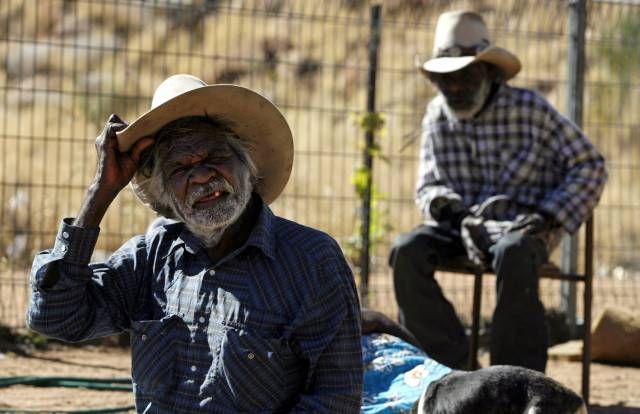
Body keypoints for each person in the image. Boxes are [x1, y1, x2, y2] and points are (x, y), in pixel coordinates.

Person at [27, 74, 363, 412]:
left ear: (247, 166)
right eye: (180, 168)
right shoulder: (153, 256)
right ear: (166, 195)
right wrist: (99, 193)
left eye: (215, 157)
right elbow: (56, 318)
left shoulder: (311, 261)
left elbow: (335, 399)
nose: (201, 175)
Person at [389, 11, 607, 372]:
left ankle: (513, 380)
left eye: (465, 76)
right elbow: (429, 187)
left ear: (489, 73)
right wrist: (460, 218)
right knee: (406, 251)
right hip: (461, 227)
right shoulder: (436, 114)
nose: (455, 88)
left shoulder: (531, 109)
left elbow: (590, 165)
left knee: (514, 252)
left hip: (525, 227)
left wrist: (548, 216)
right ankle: (454, 371)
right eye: (446, 79)